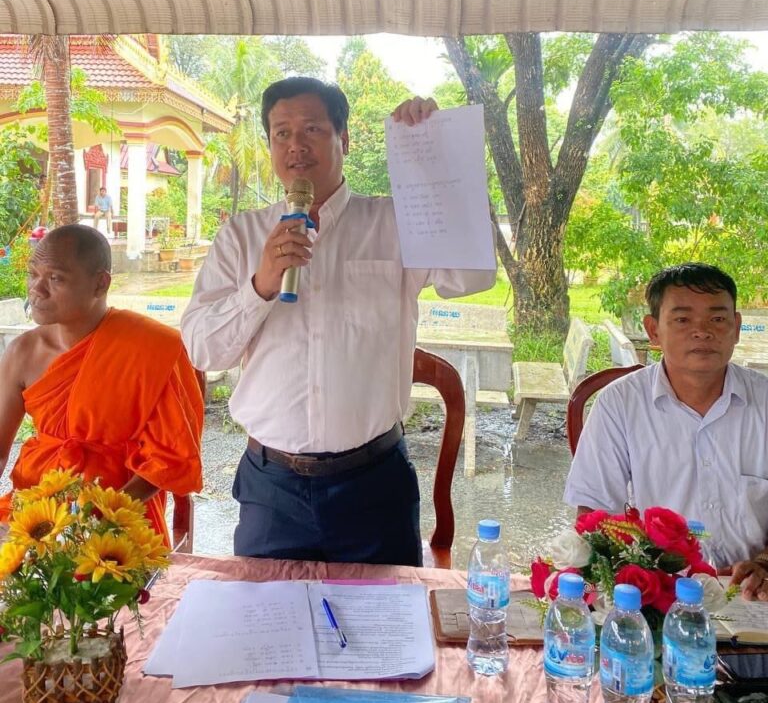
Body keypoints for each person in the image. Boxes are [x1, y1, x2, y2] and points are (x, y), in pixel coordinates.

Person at [181, 76, 496, 566]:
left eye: (312, 129)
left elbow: (472, 274)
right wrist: (261, 284)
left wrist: (438, 156)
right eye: (281, 133)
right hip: (272, 489)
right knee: (270, 615)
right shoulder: (241, 236)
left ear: (343, 139)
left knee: (382, 616)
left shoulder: (394, 224)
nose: (296, 145)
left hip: (373, 485)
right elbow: (204, 350)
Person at [564, 262, 768, 599]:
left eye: (718, 319)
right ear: (654, 330)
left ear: (736, 327)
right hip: (658, 592)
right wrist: (630, 574)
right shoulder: (620, 404)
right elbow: (594, 514)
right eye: (683, 319)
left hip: (753, 591)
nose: (702, 332)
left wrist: (763, 563)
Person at [0, 224, 205, 544]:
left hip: (120, 518)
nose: (37, 289)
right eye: (32, 274)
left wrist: (98, 519)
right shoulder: (22, 352)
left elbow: (169, 459)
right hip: (37, 514)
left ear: (100, 283)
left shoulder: (154, 348)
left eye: (55, 278)